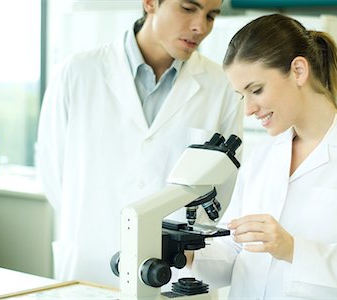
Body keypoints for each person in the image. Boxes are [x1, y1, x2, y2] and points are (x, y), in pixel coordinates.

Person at [36, 0, 243, 287]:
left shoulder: (222, 86)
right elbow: (52, 173)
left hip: (176, 272)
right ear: (149, 3)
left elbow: (224, 188)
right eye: (188, 8)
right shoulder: (77, 72)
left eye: (211, 15)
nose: (200, 27)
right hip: (92, 259)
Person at [187, 13, 337, 299]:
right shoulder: (263, 156)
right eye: (241, 95)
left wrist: (293, 249)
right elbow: (236, 248)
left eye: (256, 90)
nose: (248, 109)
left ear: (298, 71)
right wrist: (189, 254)